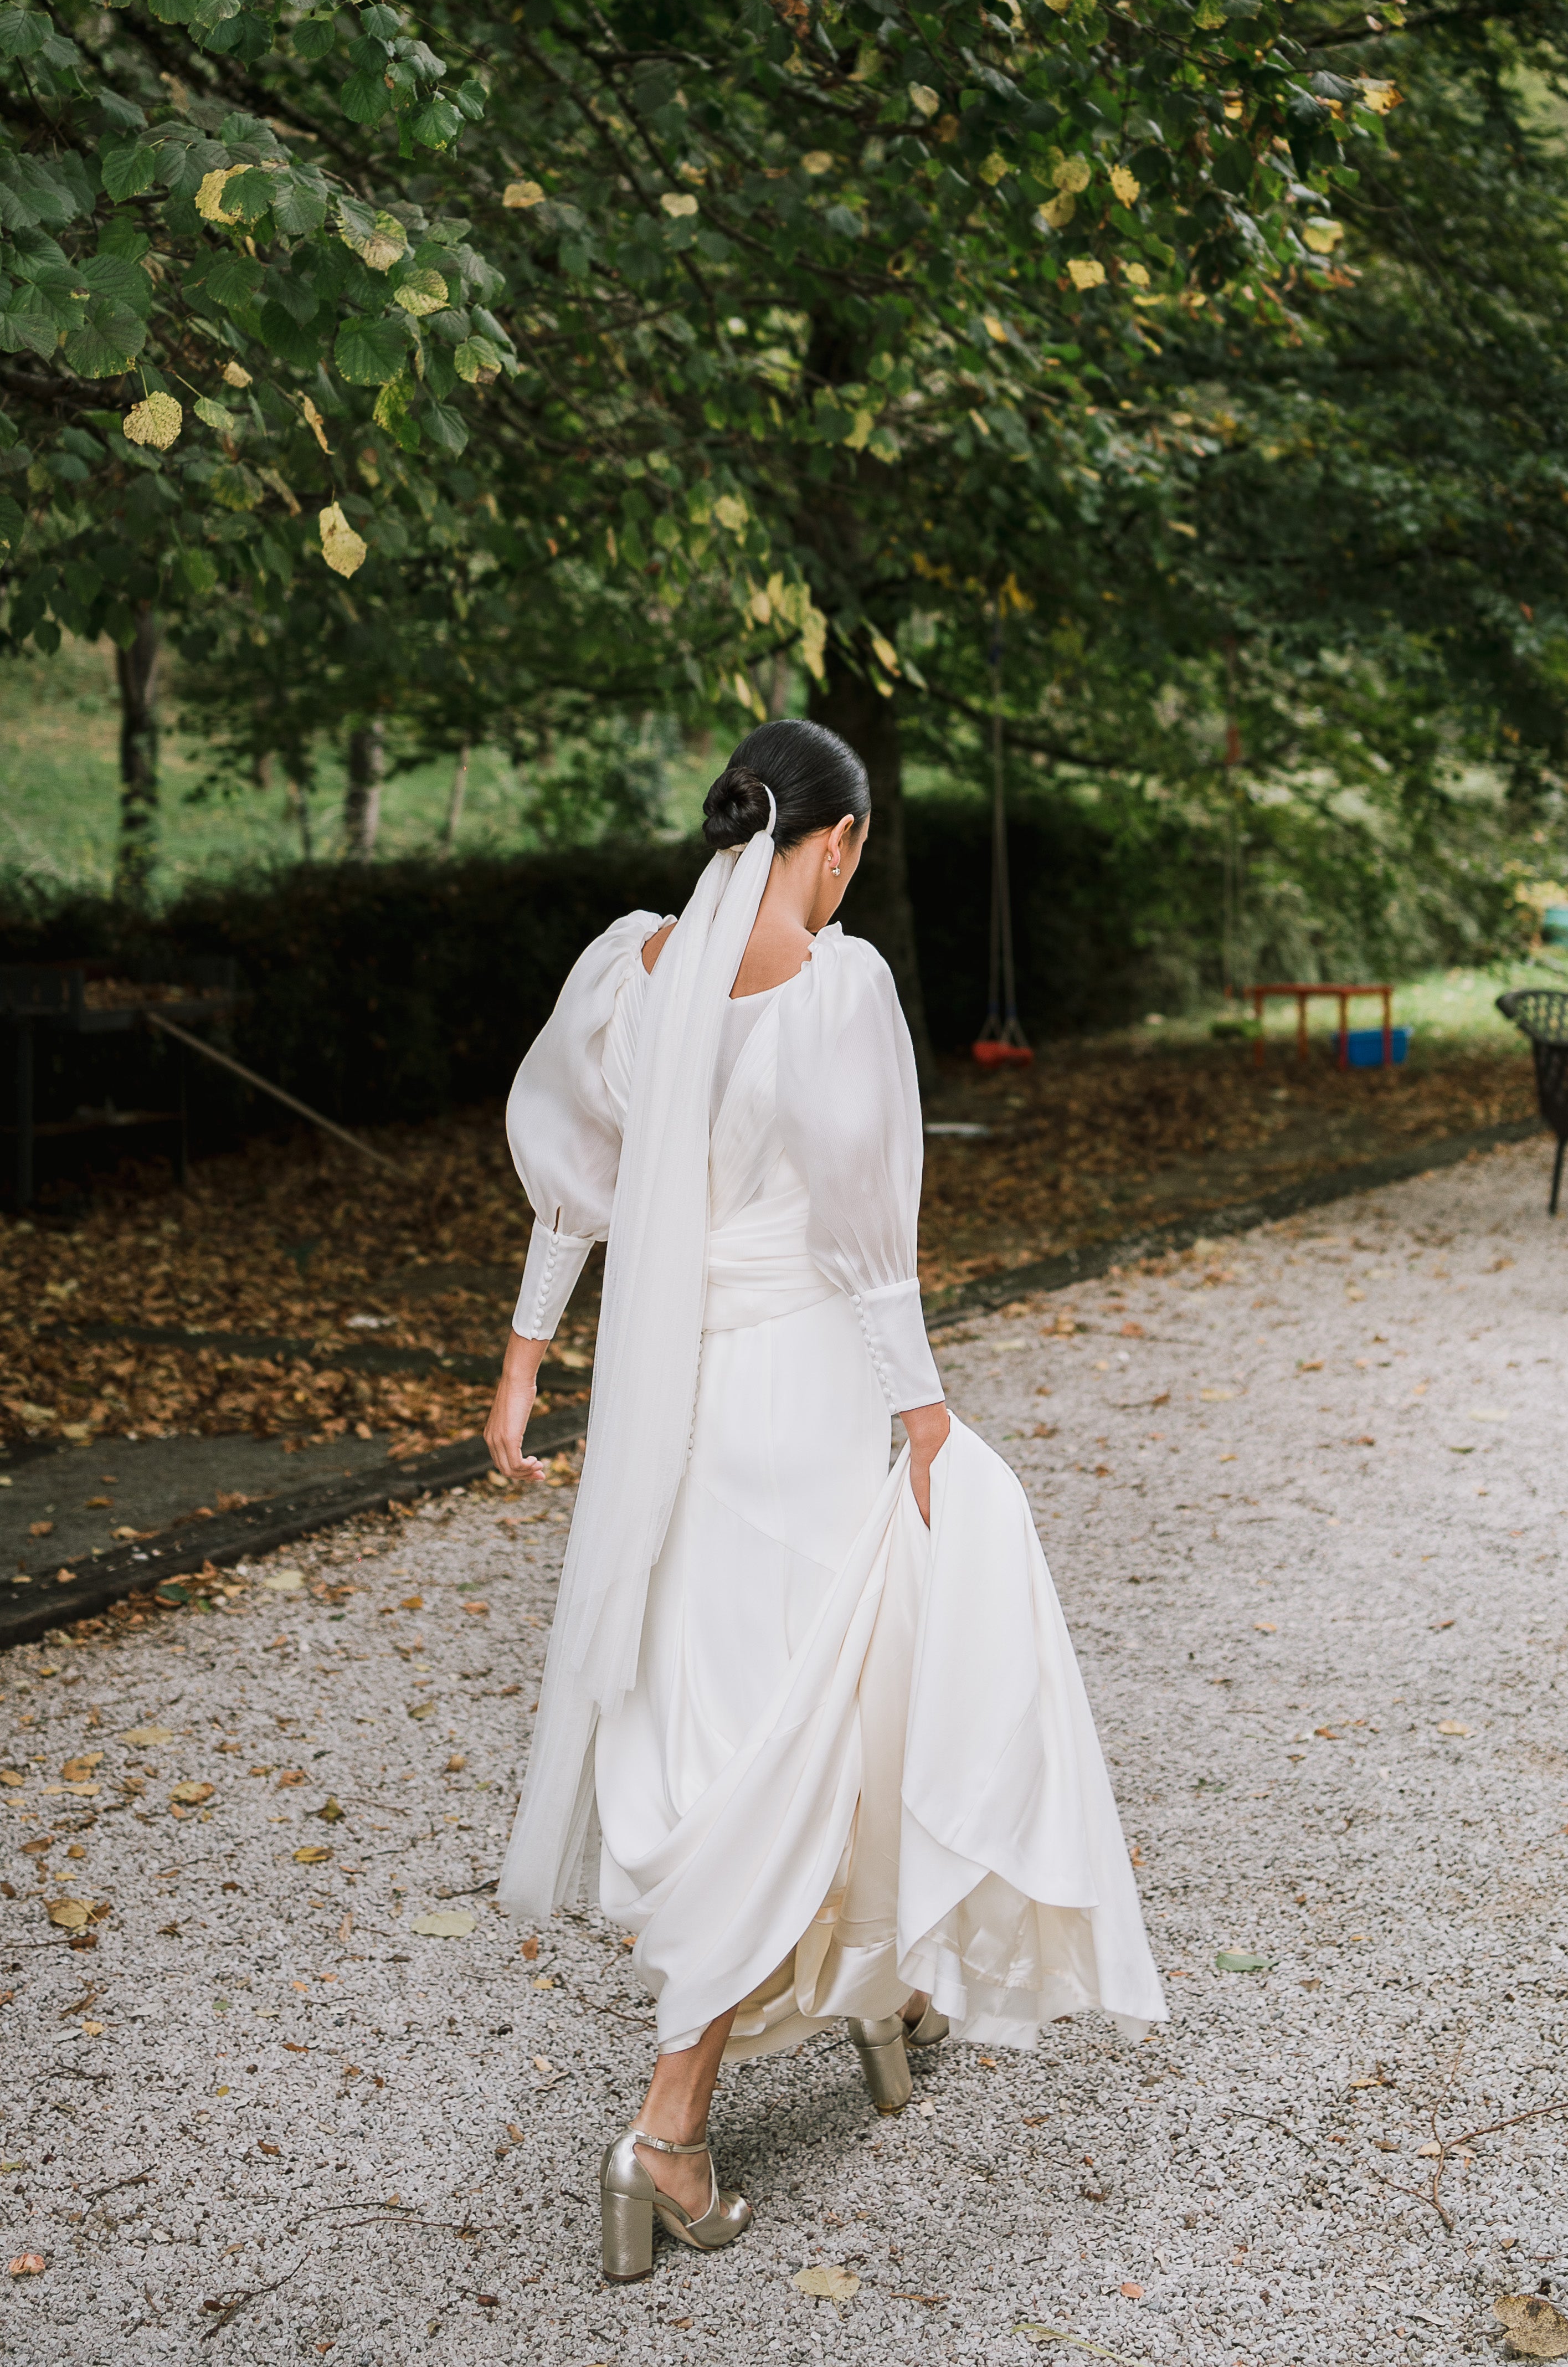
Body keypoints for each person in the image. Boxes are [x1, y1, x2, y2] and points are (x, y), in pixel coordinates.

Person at [482, 717, 1164, 2285]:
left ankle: (884, 1977)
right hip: (792, 1395)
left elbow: (572, 1180)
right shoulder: (839, 986)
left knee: (748, 1711)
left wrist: (522, 1367)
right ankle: (671, 2125)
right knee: (805, 1710)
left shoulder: (630, 968)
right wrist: (925, 1413)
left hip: (670, 1408)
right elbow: (868, 1236)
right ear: (836, 840)